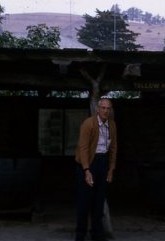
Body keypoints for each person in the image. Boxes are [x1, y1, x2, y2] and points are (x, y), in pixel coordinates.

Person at [74, 97, 117, 241]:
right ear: (97, 109)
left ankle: (96, 234)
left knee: (99, 202)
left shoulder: (112, 125)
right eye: (103, 108)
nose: (105, 110)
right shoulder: (89, 124)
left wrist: (111, 169)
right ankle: (80, 235)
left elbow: (113, 148)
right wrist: (86, 170)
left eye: (108, 108)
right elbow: (83, 147)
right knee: (84, 201)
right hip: (87, 163)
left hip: (102, 162)